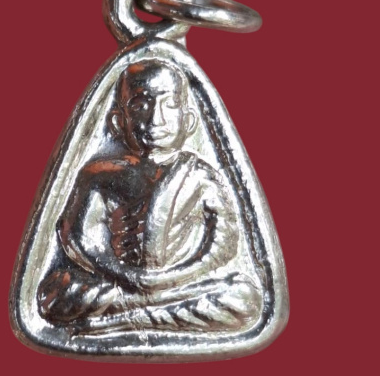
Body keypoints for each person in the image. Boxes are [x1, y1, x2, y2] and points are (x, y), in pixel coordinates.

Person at [38, 60, 261, 333]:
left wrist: (169, 280)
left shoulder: (201, 176)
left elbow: (222, 246)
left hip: (181, 284)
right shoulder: (99, 174)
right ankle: (148, 314)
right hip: (120, 283)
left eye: (170, 105)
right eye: (141, 106)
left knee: (243, 297)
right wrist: (125, 275)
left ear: (189, 121)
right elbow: (78, 239)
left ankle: (122, 320)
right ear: (119, 122)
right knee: (57, 294)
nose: (156, 119)